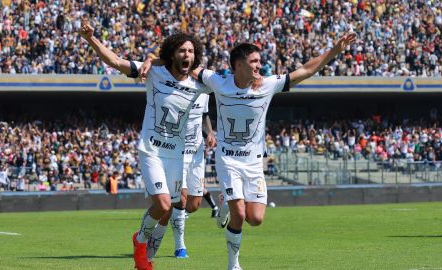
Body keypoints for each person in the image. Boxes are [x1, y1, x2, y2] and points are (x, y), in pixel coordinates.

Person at [141, 32, 356, 270]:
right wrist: (152, 61)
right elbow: (180, 64)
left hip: (254, 163)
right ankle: (234, 265)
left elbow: (306, 70)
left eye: (259, 61)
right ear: (239, 65)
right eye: (254, 61)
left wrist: (335, 50)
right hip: (228, 160)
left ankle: (224, 201)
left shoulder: (268, 84)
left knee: (256, 218)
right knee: (240, 215)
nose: (260, 65)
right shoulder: (217, 81)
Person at [80, 21, 210, 270]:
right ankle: (142, 250)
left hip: (176, 154)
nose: (187, 55)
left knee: (175, 206)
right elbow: (117, 62)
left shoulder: (199, 83)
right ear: (172, 53)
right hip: (151, 149)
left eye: (191, 52)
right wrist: (91, 39)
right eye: (182, 50)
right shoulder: (154, 72)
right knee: (162, 204)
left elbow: (231, 85)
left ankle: (139, 239)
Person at [146, 93, 216, 260]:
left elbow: (204, 116)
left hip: (197, 154)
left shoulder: (204, 90)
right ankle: (180, 246)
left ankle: (152, 234)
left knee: (193, 205)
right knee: (180, 200)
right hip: (177, 153)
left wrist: (210, 133)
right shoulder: (176, 89)